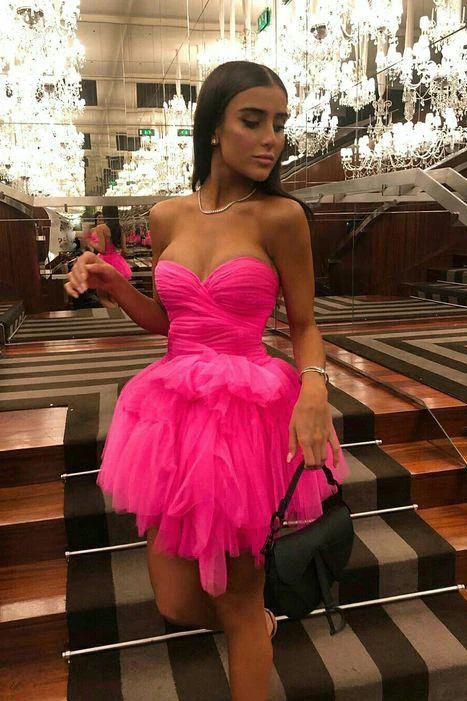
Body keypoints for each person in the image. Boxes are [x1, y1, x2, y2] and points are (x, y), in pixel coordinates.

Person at [65, 60, 350, 701]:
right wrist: (116, 286)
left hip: (248, 410)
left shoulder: (281, 217)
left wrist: (314, 389)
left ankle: (252, 629)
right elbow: (168, 323)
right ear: (214, 128)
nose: (271, 138)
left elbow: (305, 324)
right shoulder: (167, 215)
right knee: (174, 598)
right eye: (253, 120)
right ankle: (258, 626)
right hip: (174, 410)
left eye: (279, 123)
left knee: (240, 598)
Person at [86, 208, 132, 307]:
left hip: (103, 262)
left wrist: (90, 241)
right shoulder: (120, 228)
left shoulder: (101, 228)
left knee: (103, 298)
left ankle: (113, 314)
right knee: (114, 298)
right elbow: (124, 250)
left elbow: (102, 249)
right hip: (117, 261)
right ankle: (117, 314)